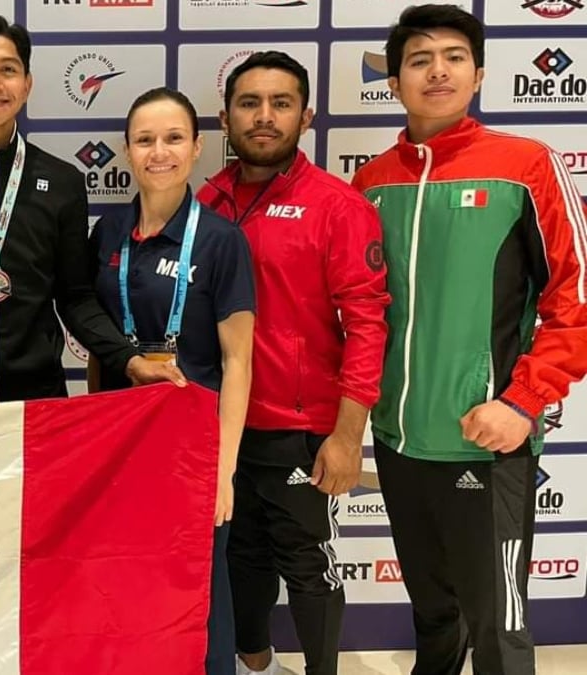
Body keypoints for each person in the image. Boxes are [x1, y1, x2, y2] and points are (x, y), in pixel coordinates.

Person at [351, 6, 587, 674]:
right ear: (394, 81)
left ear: (479, 74)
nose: (437, 70)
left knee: (499, 627)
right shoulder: (370, 183)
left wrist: (521, 402)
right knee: (431, 609)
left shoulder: (526, 166)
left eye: (454, 56)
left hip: (486, 440)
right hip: (397, 439)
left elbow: (576, 299)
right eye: (419, 59)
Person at [197, 52, 389, 675]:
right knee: (240, 556)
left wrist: (347, 433)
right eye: (249, 103)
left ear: (305, 115)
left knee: (307, 562)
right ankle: (255, 663)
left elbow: (367, 324)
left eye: (281, 103)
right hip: (220, 425)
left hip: (300, 428)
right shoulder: (207, 200)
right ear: (225, 117)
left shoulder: (336, 205)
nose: (264, 117)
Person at [0, 14, 184, 406]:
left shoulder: (61, 182)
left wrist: (129, 361)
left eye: (8, 70)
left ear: (27, 85)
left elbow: (76, 297)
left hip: (38, 404)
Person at [90, 87, 255, 675]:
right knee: (123, 582)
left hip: (193, 446)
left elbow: (239, 362)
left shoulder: (221, 240)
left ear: (198, 147)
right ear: (127, 151)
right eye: (145, 140)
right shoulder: (107, 233)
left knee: (198, 587)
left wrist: (224, 470)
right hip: (118, 443)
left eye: (173, 138)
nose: (159, 152)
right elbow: (98, 337)